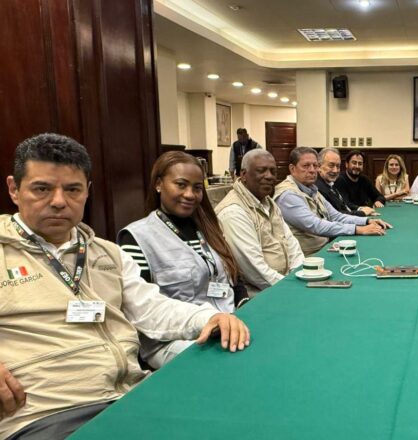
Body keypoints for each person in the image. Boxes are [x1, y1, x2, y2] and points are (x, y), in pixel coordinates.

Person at [0, 134, 249, 440]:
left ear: (87, 192)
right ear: (14, 189)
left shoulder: (107, 253)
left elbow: (152, 308)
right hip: (47, 414)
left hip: (130, 394)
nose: (58, 201)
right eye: (42, 189)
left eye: (72, 189)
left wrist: (206, 318)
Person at [118, 151, 243, 369]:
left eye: (197, 187)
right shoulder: (137, 237)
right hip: (172, 339)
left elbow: (230, 277)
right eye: (181, 185)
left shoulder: (206, 227)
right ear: (158, 184)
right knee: (230, 365)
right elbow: (144, 309)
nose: (190, 194)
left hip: (224, 320)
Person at [215, 150, 305, 297]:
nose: (269, 176)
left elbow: (292, 244)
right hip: (260, 295)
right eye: (261, 171)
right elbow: (256, 272)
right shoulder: (233, 212)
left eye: (273, 171)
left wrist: (300, 276)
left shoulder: (267, 201)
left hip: (286, 283)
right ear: (243, 175)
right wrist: (293, 289)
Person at [274, 147, 392, 256]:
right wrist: (358, 229)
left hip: (323, 248)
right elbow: (316, 226)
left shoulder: (312, 189)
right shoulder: (288, 195)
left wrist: (367, 221)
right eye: (306, 166)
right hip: (306, 257)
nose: (312, 170)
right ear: (292, 169)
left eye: (315, 166)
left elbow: (336, 216)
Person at [316, 148, 375, 217]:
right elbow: (336, 215)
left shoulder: (330, 183)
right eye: (331, 165)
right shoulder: (318, 188)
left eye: (338, 166)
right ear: (319, 166)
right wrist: (362, 213)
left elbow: (343, 206)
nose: (335, 171)